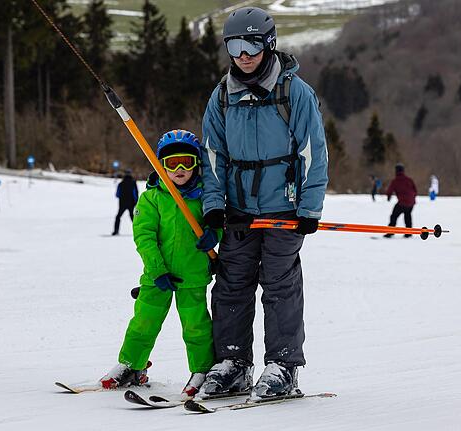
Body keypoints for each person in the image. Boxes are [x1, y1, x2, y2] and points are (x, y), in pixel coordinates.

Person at [197, 7, 328, 400]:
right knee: (231, 285)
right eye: (235, 45)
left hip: (283, 209)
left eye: (252, 44)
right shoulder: (222, 96)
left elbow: (312, 154)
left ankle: (283, 365)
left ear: (269, 43)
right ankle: (234, 362)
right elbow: (213, 156)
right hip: (238, 211)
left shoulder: (295, 92)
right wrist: (214, 205)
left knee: (280, 285)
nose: (244, 54)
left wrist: (309, 209)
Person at [100, 130, 217, 397]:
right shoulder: (152, 198)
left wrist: (214, 233)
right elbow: (144, 236)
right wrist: (157, 269)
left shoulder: (204, 197)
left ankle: (202, 369)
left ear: (196, 164)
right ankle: (131, 364)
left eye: (186, 162)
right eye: (171, 163)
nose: (179, 169)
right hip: (157, 276)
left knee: (196, 326)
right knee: (143, 321)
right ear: (160, 165)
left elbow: (217, 224)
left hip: (193, 275)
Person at [384, 163, 418, 238]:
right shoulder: (409, 179)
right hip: (411, 202)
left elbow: (389, 191)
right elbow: (415, 190)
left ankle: (390, 231)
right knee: (407, 215)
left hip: (402, 202)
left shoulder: (395, 181)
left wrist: (388, 197)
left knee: (394, 216)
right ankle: (408, 232)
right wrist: (412, 198)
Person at [112, 170, 138, 235]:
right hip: (131, 203)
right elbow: (135, 194)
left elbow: (117, 194)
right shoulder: (133, 183)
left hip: (122, 203)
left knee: (118, 217)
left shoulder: (121, 184)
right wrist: (136, 202)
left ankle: (116, 231)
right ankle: (138, 231)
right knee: (132, 217)